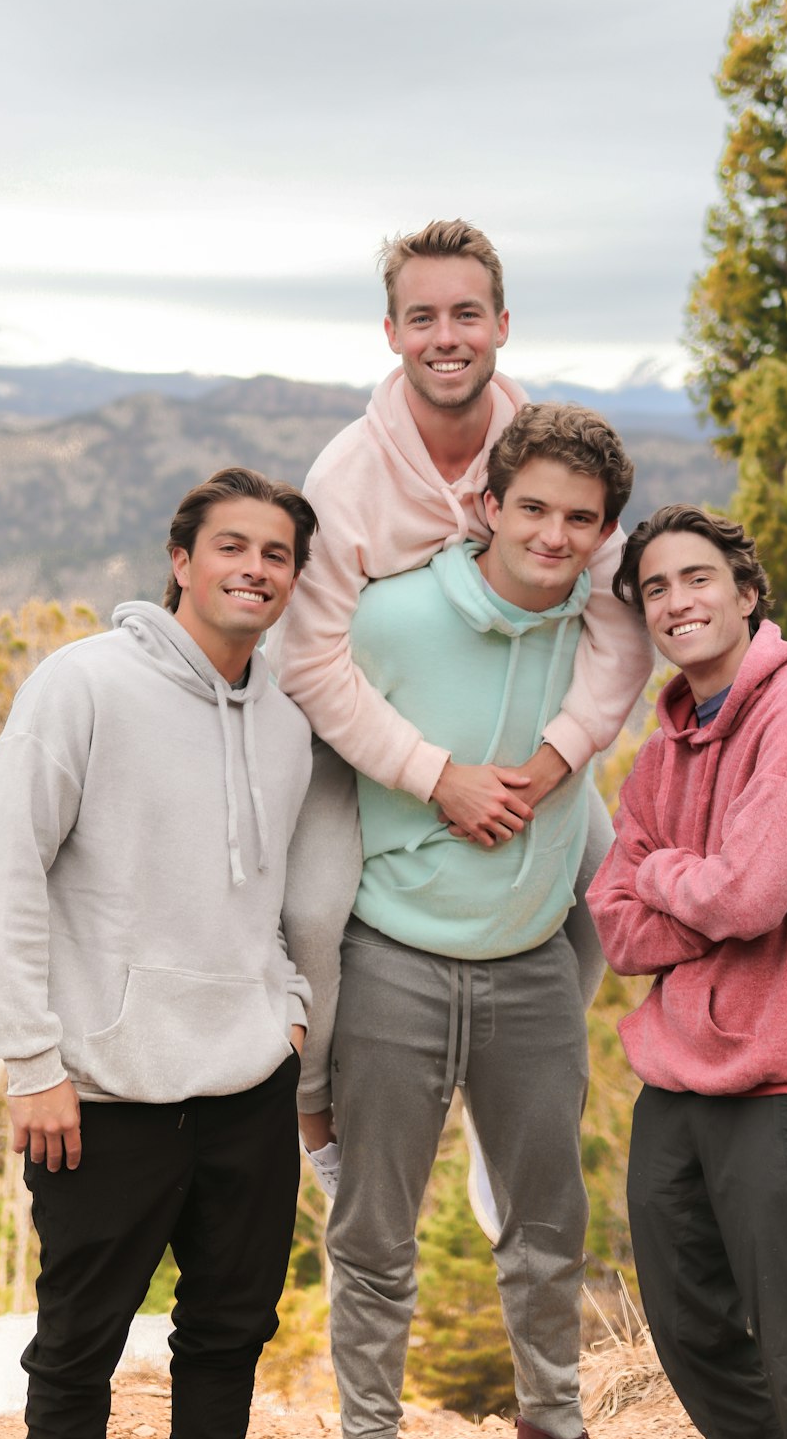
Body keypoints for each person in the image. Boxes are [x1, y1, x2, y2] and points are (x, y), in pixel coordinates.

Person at [325, 404, 680, 1439]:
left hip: (530, 960)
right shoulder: (388, 619)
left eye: (579, 519)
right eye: (530, 507)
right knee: (375, 1235)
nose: (552, 533)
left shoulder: (599, 628)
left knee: (547, 1223)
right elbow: (313, 725)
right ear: (486, 505)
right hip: (393, 956)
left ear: (603, 532)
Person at [267, 218, 652, 1201]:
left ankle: (508, 1103)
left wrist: (561, 754)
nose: (448, 335)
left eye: (467, 313)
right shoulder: (347, 477)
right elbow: (311, 664)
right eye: (424, 315)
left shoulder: (547, 459)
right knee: (312, 906)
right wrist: (435, 777)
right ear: (391, 331)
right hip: (355, 730)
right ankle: (314, 1109)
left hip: (520, 740)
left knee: (608, 889)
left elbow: (618, 629)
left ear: (502, 324)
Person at [0, 468, 319, 1439]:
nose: (254, 567)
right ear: (180, 561)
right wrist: (31, 1061)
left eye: (277, 553)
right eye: (232, 545)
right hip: (101, 1088)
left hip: (248, 1075)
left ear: (293, 578)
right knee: (82, 1333)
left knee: (233, 1321)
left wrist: (286, 1008)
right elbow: (5, 872)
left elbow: (276, 896)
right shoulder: (83, 684)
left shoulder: (286, 726)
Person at [587, 504, 787, 1439]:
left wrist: (669, 875)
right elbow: (617, 929)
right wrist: (700, 888)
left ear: (745, 590)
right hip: (674, 1088)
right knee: (692, 1334)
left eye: (697, 577)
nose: (677, 600)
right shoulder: (665, 748)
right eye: (656, 588)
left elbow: (751, 894)